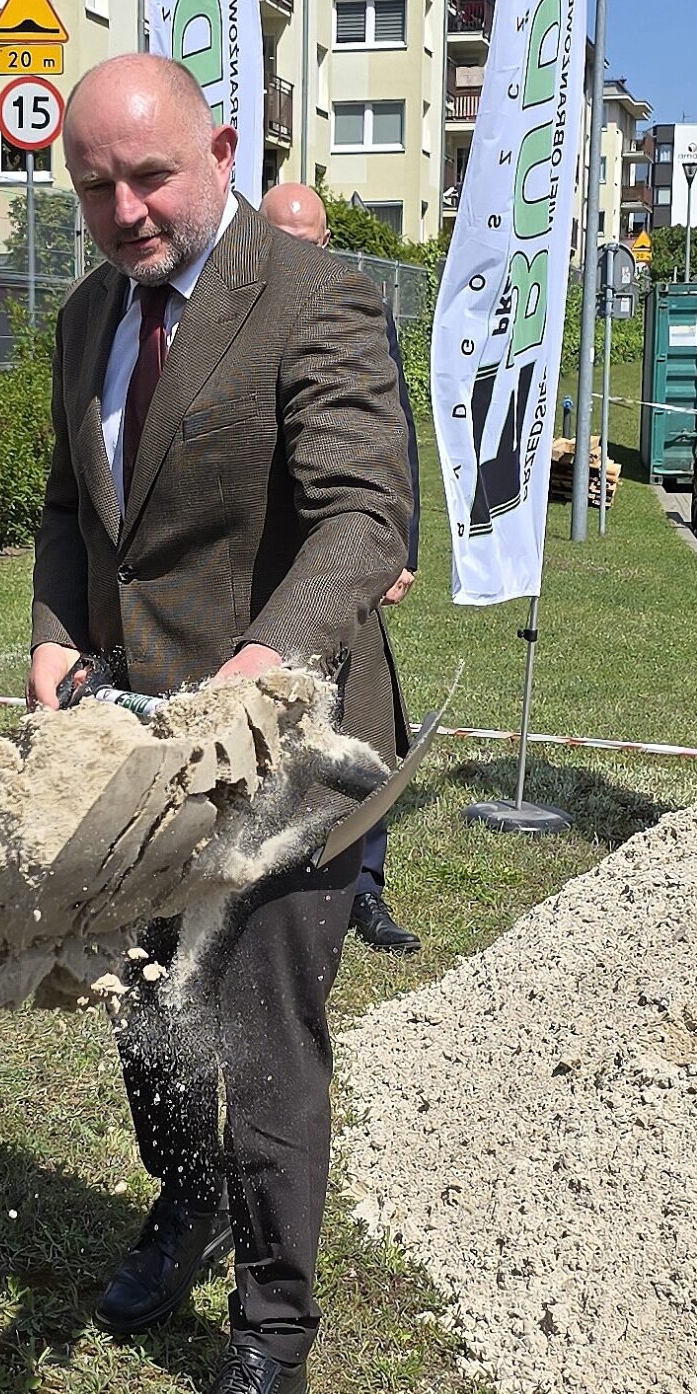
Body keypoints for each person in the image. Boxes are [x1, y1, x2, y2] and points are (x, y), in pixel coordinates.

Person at [31, 56, 409, 1394]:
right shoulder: (86, 318)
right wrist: (52, 639)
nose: (126, 209)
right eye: (95, 187)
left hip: (288, 754)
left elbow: (363, 513)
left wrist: (265, 663)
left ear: (223, 150)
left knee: (259, 1037)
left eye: (151, 176)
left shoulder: (316, 299)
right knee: (148, 1013)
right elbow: (73, 513)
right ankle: (184, 1201)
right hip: (137, 755)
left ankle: (270, 1332)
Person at [259, 181, 422, 955]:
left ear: (325, 242)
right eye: (281, 241)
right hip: (265, 565)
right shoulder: (230, 313)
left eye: (310, 242)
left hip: (346, 552)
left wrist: (399, 548)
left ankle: (364, 884)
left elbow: (395, 435)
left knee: (362, 717)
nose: (298, 256)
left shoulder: (353, 307)